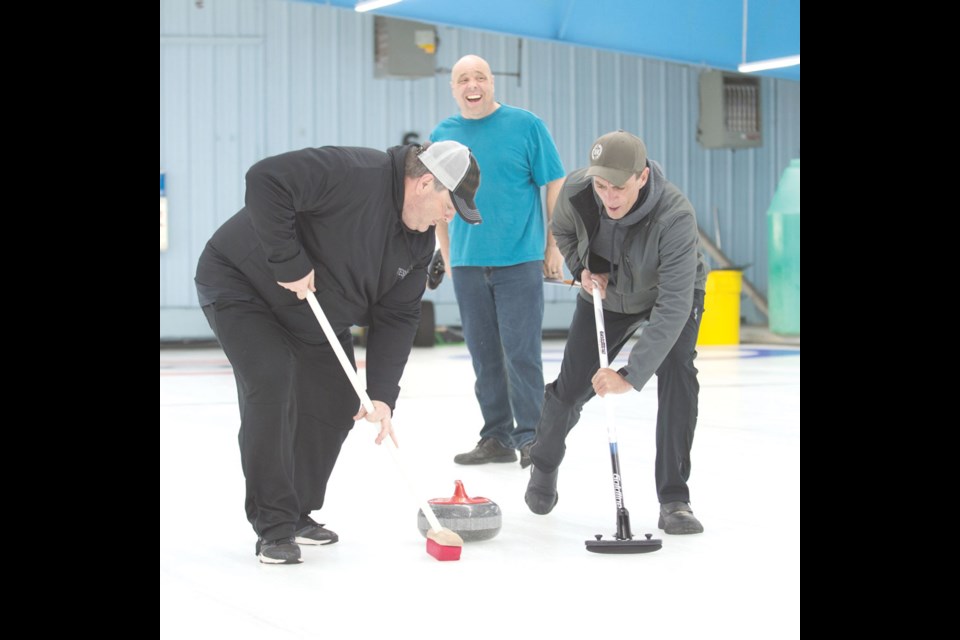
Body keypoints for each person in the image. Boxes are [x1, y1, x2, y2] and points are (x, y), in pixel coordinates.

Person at [194, 140, 482, 564]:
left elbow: (397, 318)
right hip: (244, 284)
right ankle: (273, 526)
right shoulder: (352, 172)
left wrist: (382, 394)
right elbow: (265, 179)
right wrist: (287, 259)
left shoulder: (418, 246)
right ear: (424, 183)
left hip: (314, 313)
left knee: (341, 397)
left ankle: (296, 511)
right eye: (449, 203)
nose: (449, 215)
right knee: (271, 380)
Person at [525, 130, 709, 535]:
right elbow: (564, 232)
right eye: (601, 185)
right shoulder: (578, 191)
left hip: (668, 292)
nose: (609, 197)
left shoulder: (674, 215)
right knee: (571, 389)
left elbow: (675, 305)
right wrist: (583, 269)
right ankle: (543, 462)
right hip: (608, 295)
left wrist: (629, 375)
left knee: (678, 370)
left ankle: (674, 498)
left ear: (642, 177)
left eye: (619, 187)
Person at [431, 54, 566, 469]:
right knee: (484, 353)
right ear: (453, 89)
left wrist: (554, 246)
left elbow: (555, 182)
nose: (472, 85)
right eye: (463, 79)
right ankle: (496, 437)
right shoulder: (443, 135)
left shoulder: (526, 126)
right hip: (469, 263)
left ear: (492, 82)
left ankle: (531, 437)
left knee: (521, 352)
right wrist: (446, 251)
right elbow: (438, 197)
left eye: (480, 77)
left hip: (519, 260)